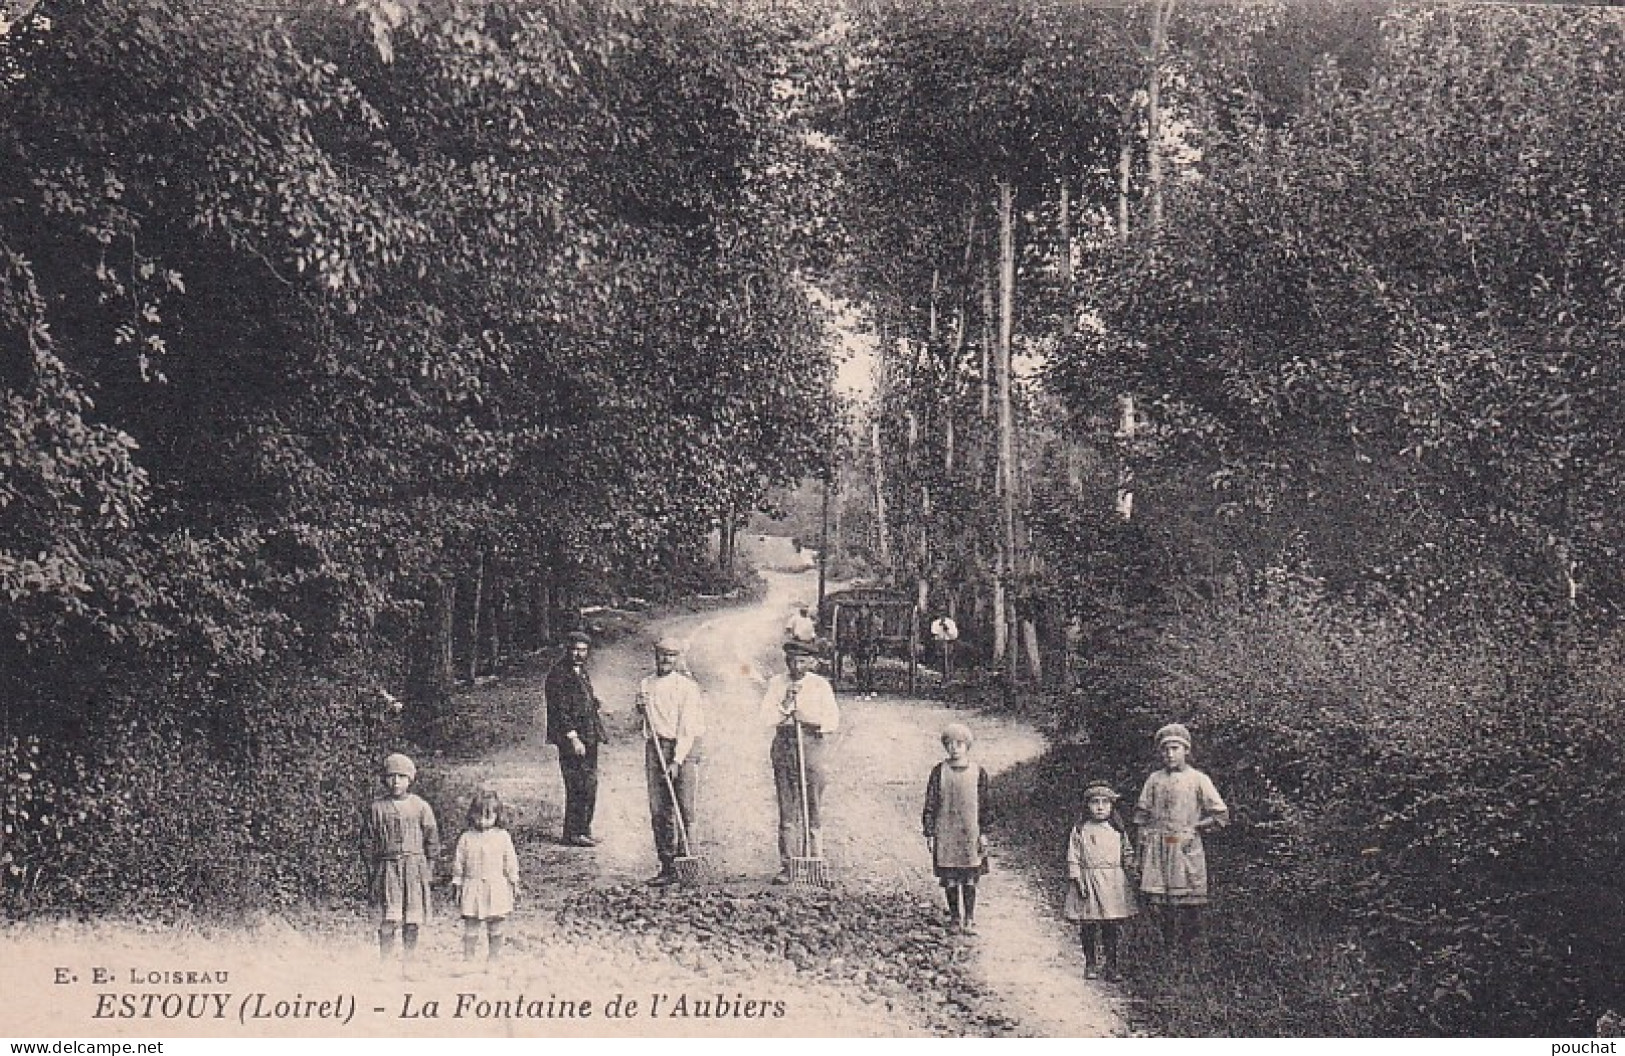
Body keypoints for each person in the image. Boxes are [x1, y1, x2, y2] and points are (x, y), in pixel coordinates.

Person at [1133, 722, 1228, 941]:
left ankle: (1189, 948)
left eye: (1175, 748)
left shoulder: (1198, 779)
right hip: (1158, 845)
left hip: (1184, 846)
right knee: (1161, 903)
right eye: (1165, 749)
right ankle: (1166, 947)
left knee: (1188, 900)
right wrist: (1141, 845)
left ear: (1186, 750)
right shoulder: (1154, 779)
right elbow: (1142, 814)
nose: (1170, 754)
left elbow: (1220, 814)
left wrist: (1196, 827)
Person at [758, 638, 840, 883]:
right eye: (792, 660)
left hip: (812, 744)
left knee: (812, 804)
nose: (796, 665)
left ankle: (814, 861)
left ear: (812, 662)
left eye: (802, 660)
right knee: (788, 808)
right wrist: (785, 704)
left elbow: (832, 719)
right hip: (785, 745)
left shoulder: (820, 686)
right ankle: (789, 865)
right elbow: (765, 718)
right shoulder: (776, 683)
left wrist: (809, 719)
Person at [362, 752, 440, 978]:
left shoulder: (420, 807)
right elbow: (367, 841)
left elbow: (431, 838)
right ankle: (385, 963)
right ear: (384, 779)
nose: (396, 781)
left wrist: (429, 868)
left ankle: (409, 963)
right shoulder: (376, 808)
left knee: (412, 920)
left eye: (401, 776)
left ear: (410, 779)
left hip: (414, 870)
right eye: (391, 776)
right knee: (389, 917)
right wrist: (372, 869)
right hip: (387, 869)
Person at [638, 636, 707, 886]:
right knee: (659, 810)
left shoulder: (686, 688)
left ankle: (688, 862)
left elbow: (688, 728)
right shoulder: (646, 684)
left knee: (685, 808)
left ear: (678, 658)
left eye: (671, 655)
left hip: (684, 749)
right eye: (661, 654)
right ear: (655, 655)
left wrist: (677, 761)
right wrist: (641, 710)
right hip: (655, 748)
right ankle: (667, 865)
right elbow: (646, 724)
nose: (665, 659)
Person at [921, 721, 991, 933]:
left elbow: (986, 805)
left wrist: (984, 832)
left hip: (970, 832)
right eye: (950, 743)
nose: (954, 748)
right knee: (950, 876)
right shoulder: (938, 772)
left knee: (969, 875)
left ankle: (969, 918)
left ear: (967, 746)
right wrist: (930, 832)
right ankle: (954, 917)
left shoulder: (979, 773)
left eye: (959, 743)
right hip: (946, 832)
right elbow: (930, 803)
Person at [1065, 783, 1138, 980]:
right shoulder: (1081, 829)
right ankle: (1090, 963)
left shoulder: (1117, 830)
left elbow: (1127, 853)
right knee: (1088, 923)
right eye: (1094, 802)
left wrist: (1133, 871)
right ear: (1087, 805)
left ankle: (1111, 966)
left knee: (1111, 925)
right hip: (1089, 879)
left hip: (1113, 882)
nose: (1099, 807)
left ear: (1112, 806)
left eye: (1105, 803)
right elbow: (1073, 856)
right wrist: (1077, 878)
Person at [544, 630, 609, 846]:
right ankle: (572, 833)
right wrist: (573, 738)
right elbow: (559, 711)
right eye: (574, 649)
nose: (578, 654)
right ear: (567, 649)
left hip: (589, 734)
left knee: (590, 783)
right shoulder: (558, 675)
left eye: (582, 650)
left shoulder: (581, 671)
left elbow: (582, 699)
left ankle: (584, 829)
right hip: (573, 739)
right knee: (576, 784)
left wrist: (593, 703)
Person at [451, 788, 521, 970]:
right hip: (472, 885)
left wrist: (514, 882)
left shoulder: (503, 837)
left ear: (497, 815)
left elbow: (510, 861)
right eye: (478, 816)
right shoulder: (466, 838)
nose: (482, 821)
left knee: (496, 923)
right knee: (471, 925)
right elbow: (459, 862)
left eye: (488, 816)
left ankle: (494, 959)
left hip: (496, 885)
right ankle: (469, 959)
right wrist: (457, 884)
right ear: (472, 815)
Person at [929, 613, 960, 683]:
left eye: (943, 614)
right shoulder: (935, 623)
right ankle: (941, 676)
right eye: (940, 614)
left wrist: (947, 629)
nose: (941, 616)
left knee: (949, 658)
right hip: (940, 642)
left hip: (949, 642)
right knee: (940, 658)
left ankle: (950, 676)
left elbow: (955, 635)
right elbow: (934, 634)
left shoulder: (951, 622)